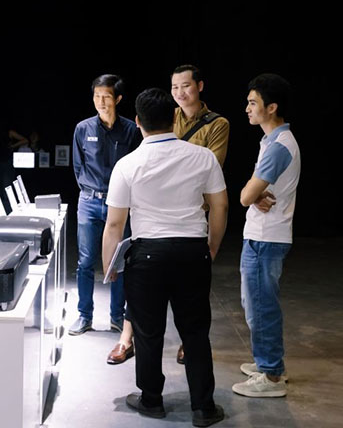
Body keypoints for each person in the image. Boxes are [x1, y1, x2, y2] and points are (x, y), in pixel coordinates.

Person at [102, 88, 227, 426]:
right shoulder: (203, 157)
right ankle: (203, 407)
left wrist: (110, 266)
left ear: (137, 121)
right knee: (195, 331)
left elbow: (114, 223)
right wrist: (212, 246)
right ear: (174, 117)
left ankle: (151, 399)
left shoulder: (127, 164)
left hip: (148, 256)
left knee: (147, 331)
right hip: (192, 251)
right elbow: (220, 206)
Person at [232, 73, 300, 398]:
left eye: (253, 103)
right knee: (256, 303)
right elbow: (252, 192)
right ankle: (267, 364)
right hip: (263, 235)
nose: (247, 108)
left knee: (261, 306)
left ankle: (271, 375)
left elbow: (245, 195)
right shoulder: (271, 141)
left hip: (266, 237)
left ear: (272, 107)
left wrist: (251, 193)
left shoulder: (279, 147)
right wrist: (253, 193)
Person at [69, 74, 141, 336]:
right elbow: (78, 167)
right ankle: (84, 316)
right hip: (89, 201)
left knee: (120, 262)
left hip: (120, 204)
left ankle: (117, 317)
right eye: (96, 96)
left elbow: (137, 167)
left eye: (106, 96)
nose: (100, 101)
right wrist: (90, 190)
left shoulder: (131, 130)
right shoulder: (83, 129)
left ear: (118, 99)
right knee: (85, 261)